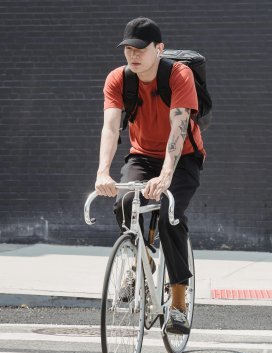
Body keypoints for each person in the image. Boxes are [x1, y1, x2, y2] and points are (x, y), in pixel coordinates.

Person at [94, 17, 205, 335]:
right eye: (128, 49)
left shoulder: (178, 75)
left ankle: (179, 303)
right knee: (123, 202)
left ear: (159, 49)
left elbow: (179, 127)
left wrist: (167, 175)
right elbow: (111, 126)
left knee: (170, 213)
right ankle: (142, 259)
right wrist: (103, 172)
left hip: (182, 158)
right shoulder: (118, 79)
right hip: (142, 155)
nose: (133, 54)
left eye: (141, 48)